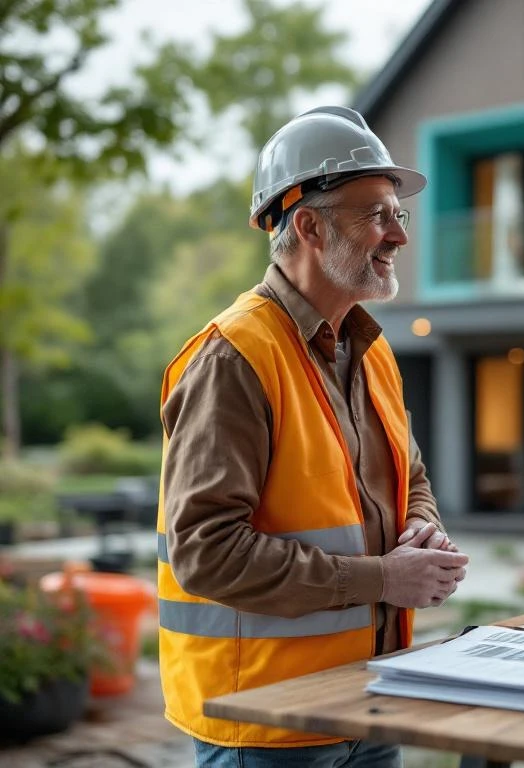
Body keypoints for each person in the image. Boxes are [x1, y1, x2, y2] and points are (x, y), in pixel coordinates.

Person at [156, 106, 469, 767]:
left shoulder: (371, 348)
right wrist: (383, 578)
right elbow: (206, 553)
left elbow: (409, 477)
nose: (398, 236)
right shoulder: (234, 356)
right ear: (308, 226)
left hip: (372, 696)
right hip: (266, 721)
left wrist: (421, 526)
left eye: (398, 214)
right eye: (377, 214)